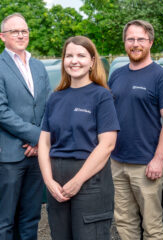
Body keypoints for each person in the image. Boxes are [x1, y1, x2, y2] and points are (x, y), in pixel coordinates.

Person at [38, 36, 120, 239]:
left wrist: (78, 181)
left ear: (92, 61)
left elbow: (107, 145)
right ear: (63, 61)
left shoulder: (101, 96)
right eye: (69, 56)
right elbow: (44, 143)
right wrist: (48, 180)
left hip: (90, 180)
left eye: (81, 55)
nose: (74, 61)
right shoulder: (55, 98)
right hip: (57, 181)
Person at [0, 13, 51, 240]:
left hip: (36, 156)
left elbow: (47, 106)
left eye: (24, 31)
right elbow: (0, 111)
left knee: (31, 217)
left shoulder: (39, 66)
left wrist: (38, 141)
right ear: (3, 36)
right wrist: (38, 137)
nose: (21, 35)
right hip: (11, 156)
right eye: (15, 31)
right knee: (5, 220)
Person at [109, 20, 163, 239]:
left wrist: (158, 159)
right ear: (124, 42)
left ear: (150, 42)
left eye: (141, 39)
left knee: (152, 226)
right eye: (131, 39)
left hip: (146, 164)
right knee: (124, 222)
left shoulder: (161, 76)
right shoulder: (116, 75)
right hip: (117, 162)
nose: (135, 44)